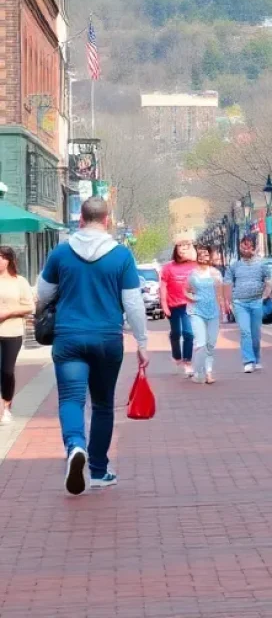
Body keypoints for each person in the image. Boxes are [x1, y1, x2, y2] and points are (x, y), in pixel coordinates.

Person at [35, 196, 149, 494]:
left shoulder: (60, 253)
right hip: (107, 338)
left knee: (71, 399)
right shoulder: (121, 256)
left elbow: (43, 293)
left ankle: (75, 446)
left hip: (69, 337)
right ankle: (98, 470)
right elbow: (133, 303)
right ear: (107, 220)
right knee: (102, 404)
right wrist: (142, 341)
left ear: (81, 219)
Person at [224, 235, 271, 373]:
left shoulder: (261, 264)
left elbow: (269, 280)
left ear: (254, 247)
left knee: (255, 334)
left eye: (249, 246)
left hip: (256, 302)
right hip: (240, 303)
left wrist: (265, 295)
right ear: (240, 247)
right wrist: (229, 301)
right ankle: (248, 361)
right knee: (245, 332)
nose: (246, 249)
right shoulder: (234, 266)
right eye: (244, 246)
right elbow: (227, 283)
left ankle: (256, 358)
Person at [0, 247, 34, 425]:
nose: (0, 261)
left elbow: (29, 306)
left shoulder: (19, 281)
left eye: (3, 258)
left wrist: (9, 312)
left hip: (12, 332)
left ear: (10, 260)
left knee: (6, 371)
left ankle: (6, 407)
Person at [185, 244, 225, 384]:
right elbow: (186, 289)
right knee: (201, 343)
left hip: (212, 311)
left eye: (206, 254)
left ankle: (208, 372)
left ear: (210, 256)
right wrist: (190, 297)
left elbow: (220, 293)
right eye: (200, 254)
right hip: (197, 311)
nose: (203, 257)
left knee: (210, 344)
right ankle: (198, 372)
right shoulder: (192, 274)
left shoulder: (215, 273)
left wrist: (223, 310)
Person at [160, 239, 196, 377]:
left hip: (188, 304)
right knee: (176, 333)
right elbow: (163, 287)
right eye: (180, 247)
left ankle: (187, 362)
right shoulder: (168, 267)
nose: (182, 250)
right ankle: (177, 356)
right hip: (173, 304)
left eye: (186, 247)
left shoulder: (195, 265)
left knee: (188, 333)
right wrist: (164, 305)